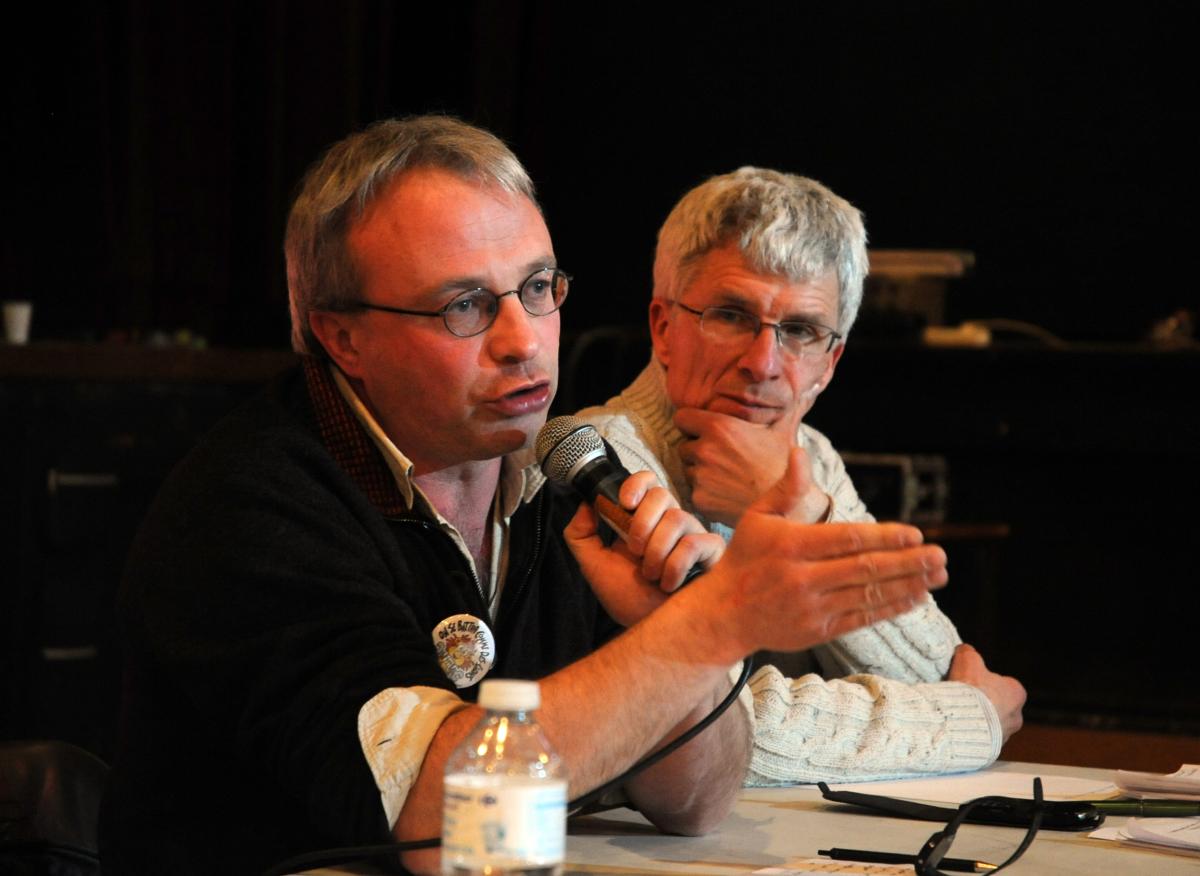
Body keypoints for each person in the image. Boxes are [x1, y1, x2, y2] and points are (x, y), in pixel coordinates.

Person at [99, 119, 949, 875]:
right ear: (342, 335)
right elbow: (442, 819)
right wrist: (713, 623)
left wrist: (664, 631)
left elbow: (698, 801)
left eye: (538, 289)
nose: (523, 343)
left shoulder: (559, 477)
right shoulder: (253, 504)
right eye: (465, 305)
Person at [577, 167, 1026, 786]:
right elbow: (702, 733)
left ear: (830, 362)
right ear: (664, 328)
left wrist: (801, 513)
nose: (763, 364)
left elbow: (937, 669)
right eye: (731, 315)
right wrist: (964, 722)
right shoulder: (598, 461)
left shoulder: (805, 455)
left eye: (801, 332)